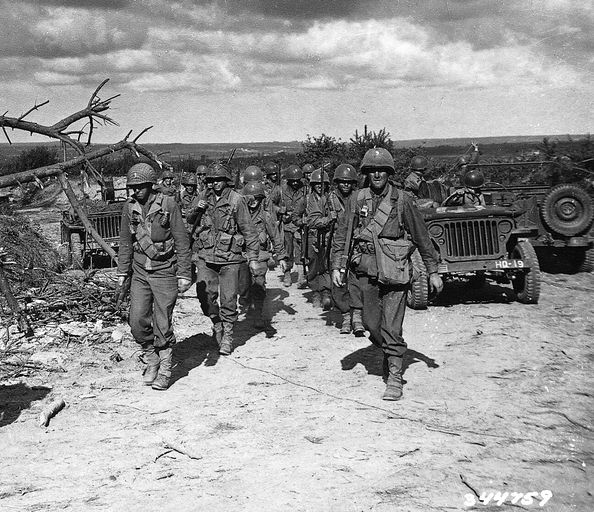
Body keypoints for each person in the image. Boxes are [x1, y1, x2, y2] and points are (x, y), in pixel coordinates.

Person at [331, 148, 443, 401]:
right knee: (371, 324)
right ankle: (390, 352)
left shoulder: (402, 200)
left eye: (382, 170)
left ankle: (394, 375)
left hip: (395, 270)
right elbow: (342, 235)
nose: (377, 175)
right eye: (372, 170)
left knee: (392, 326)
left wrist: (433, 271)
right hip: (366, 270)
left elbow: (421, 236)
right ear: (366, 173)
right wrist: (338, 265)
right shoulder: (357, 199)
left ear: (389, 173)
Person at [117, 163, 192, 391]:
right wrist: (122, 272)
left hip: (165, 270)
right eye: (133, 187)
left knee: (163, 322)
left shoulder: (168, 204)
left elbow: (181, 240)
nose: (136, 190)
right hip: (140, 271)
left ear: (151, 185)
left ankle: (166, 368)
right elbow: (125, 242)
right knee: (136, 321)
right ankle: (152, 357)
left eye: (140, 186)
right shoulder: (129, 207)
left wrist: (184, 273)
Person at [187, 162, 259, 355]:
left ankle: (227, 334)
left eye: (220, 179)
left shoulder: (237, 200)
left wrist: (253, 257)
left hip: (230, 258)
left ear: (226, 181)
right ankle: (216, 322)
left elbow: (249, 230)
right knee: (204, 295)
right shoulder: (203, 197)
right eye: (213, 180)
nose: (216, 183)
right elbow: (189, 220)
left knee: (228, 299)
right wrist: (196, 210)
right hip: (206, 255)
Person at [238, 181, 288, 329]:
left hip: (260, 254)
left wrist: (281, 257)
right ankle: (247, 302)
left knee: (259, 284)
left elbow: (275, 236)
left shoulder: (266, 216)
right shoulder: (239, 215)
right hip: (242, 254)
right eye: (251, 198)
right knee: (243, 286)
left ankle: (258, 313)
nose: (254, 201)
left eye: (258, 198)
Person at [328, 164, 360, 333]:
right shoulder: (330, 199)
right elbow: (314, 219)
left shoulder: (360, 197)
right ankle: (346, 315)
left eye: (349, 182)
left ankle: (357, 316)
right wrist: (328, 220)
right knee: (339, 282)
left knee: (357, 281)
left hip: (356, 243)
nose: (346, 184)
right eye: (342, 181)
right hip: (337, 242)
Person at [269, 164, 307, 287]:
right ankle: (287, 274)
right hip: (285, 225)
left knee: (301, 250)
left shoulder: (305, 189)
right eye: (292, 181)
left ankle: (301, 276)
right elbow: (270, 204)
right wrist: (279, 210)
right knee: (286, 251)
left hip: (300, 224)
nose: (295, 183)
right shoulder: (280, 190)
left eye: (297, 180)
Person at [303, 168, 334, 309]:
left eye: (323, 184)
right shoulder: (307, 200)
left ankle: (326, 291)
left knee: (326, 264)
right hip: (312, 236)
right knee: (313, 265)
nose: (320, 187)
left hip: (327, 236)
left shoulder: (331, 198)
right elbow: (298, 217)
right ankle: (315, 292)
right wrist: (303, 221)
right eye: (317, 184)